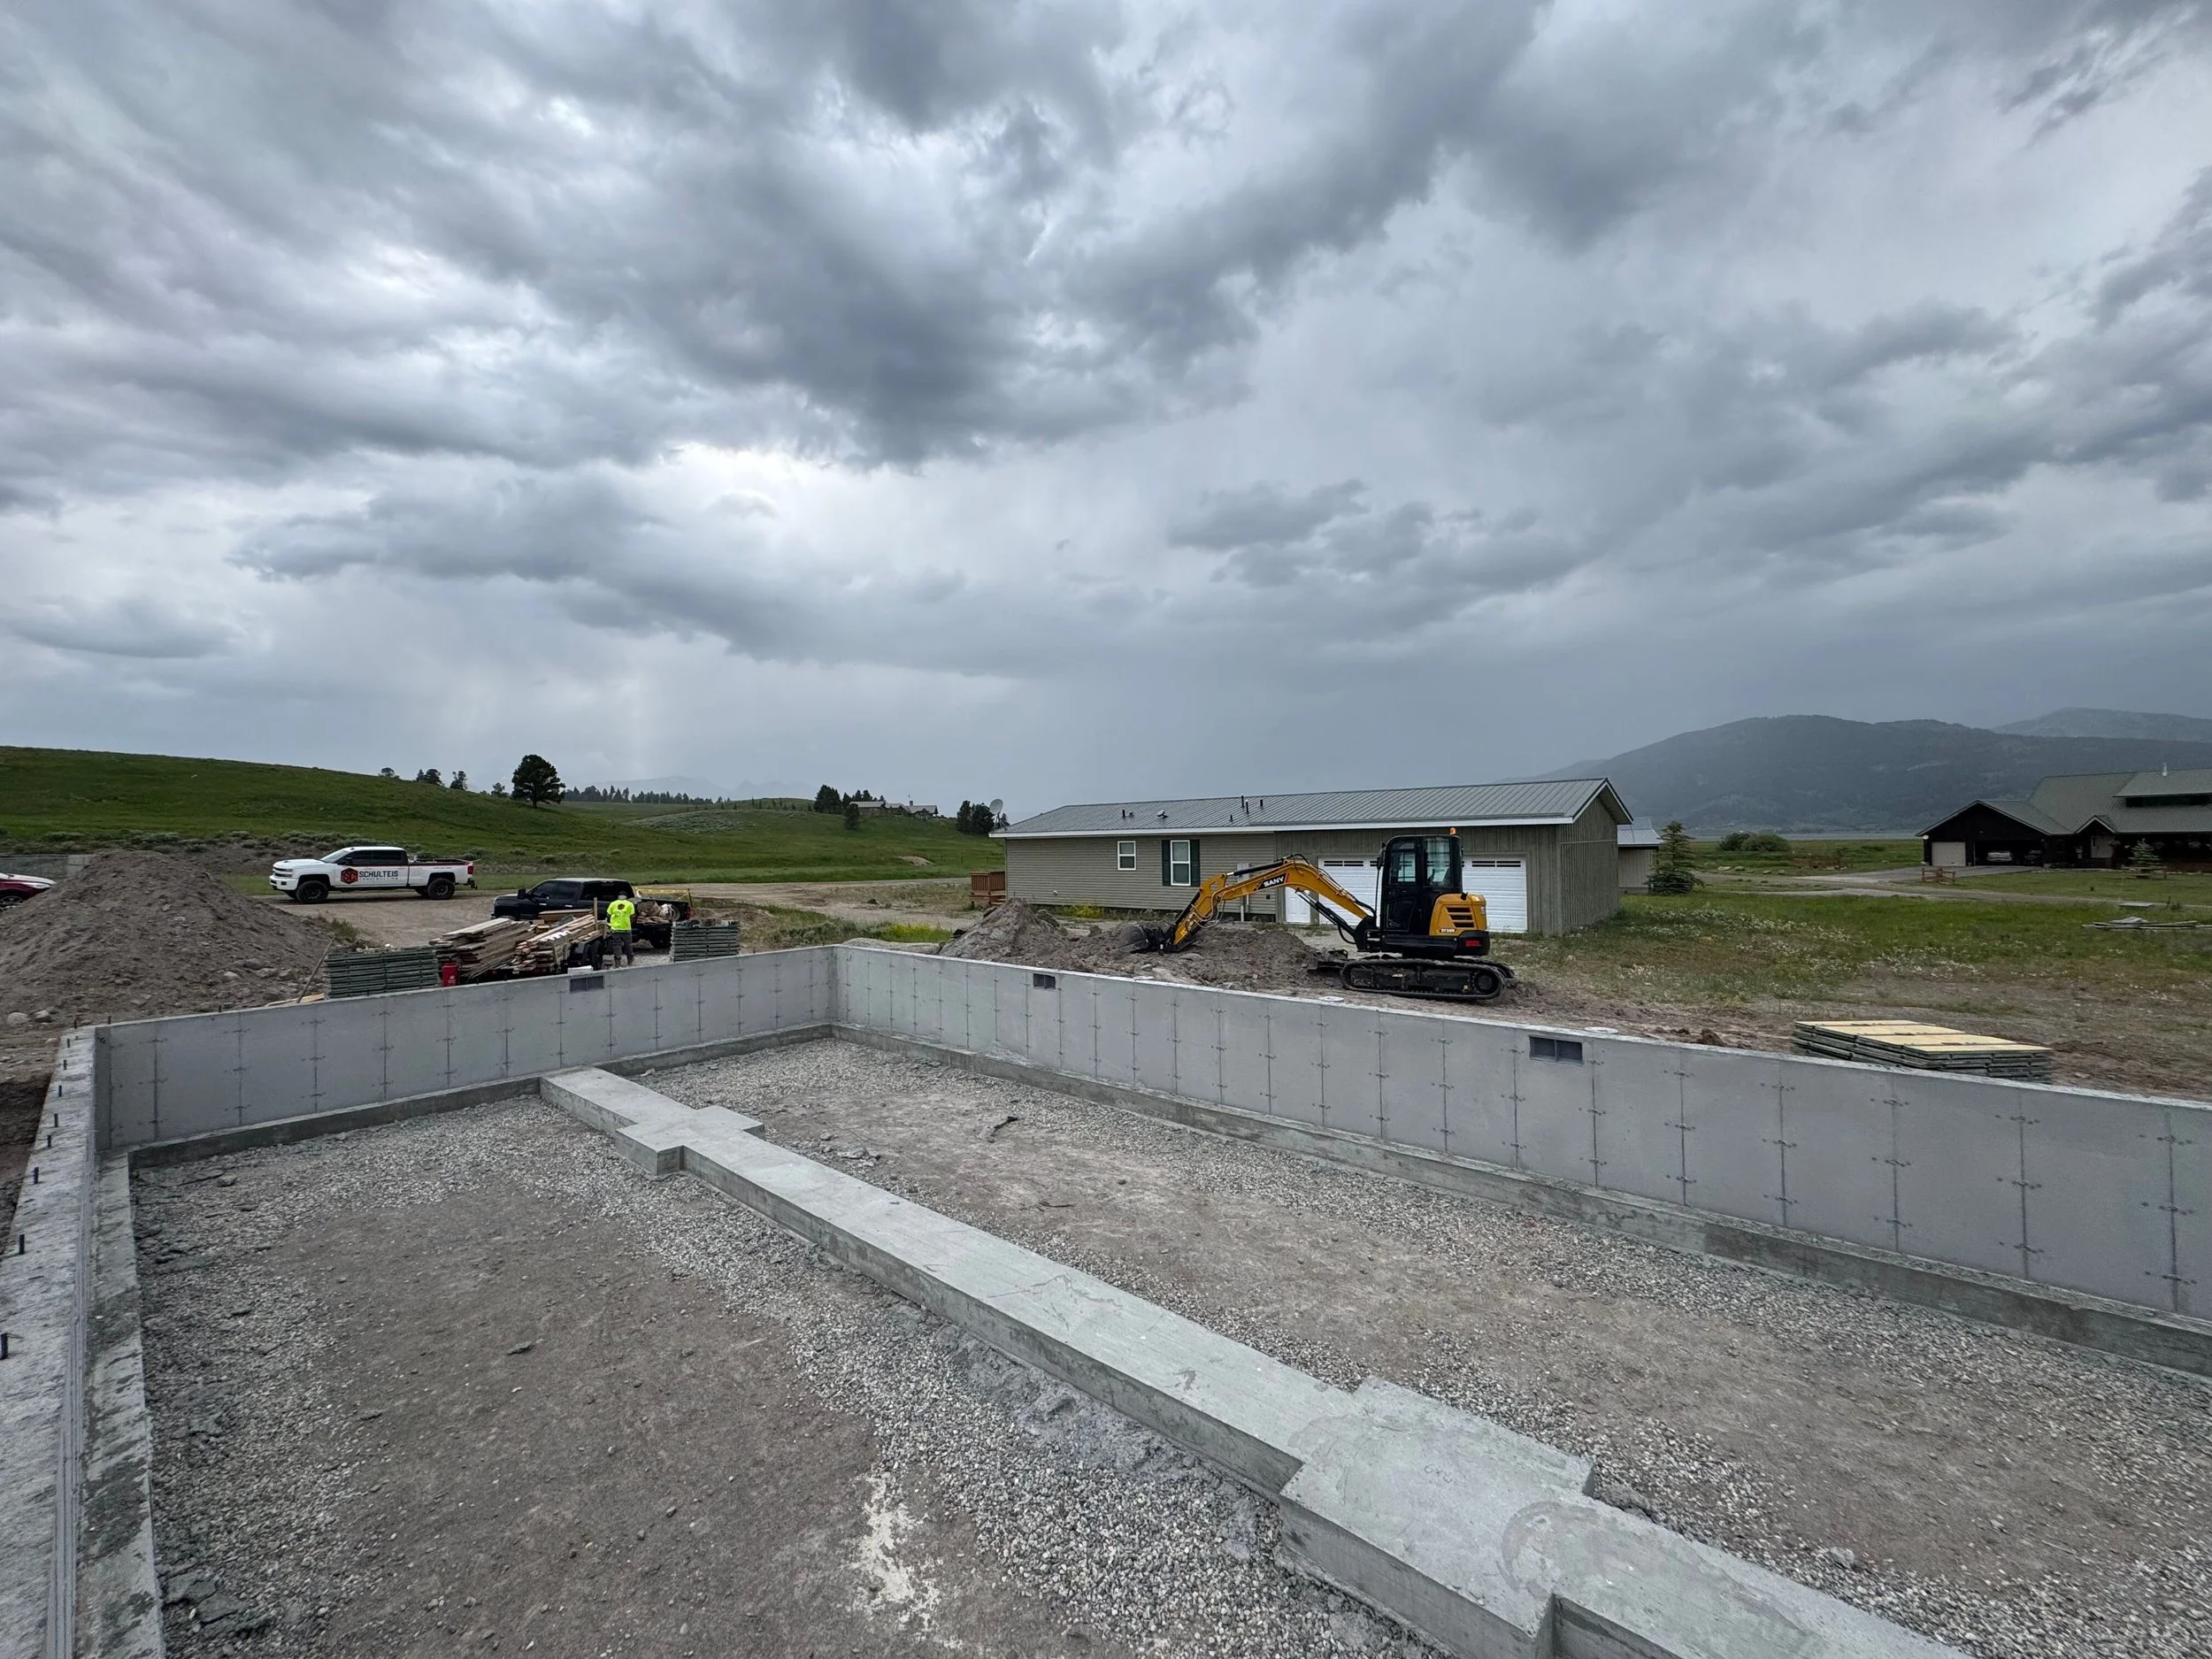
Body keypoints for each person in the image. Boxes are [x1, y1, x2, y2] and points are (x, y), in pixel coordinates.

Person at [604, 893, 636, 965]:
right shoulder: (630, 904)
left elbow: (608, 914)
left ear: (618, 896)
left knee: (617, 945)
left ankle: (618, 962)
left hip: (615, 929)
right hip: (626, 929)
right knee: (628, 945)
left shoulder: (613, 904)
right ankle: (630, 961)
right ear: (626, 897)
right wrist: (629, 922)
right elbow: (633, 916)